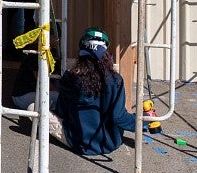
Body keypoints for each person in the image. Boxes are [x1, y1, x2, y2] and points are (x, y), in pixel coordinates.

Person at [14, 27, 153, 157]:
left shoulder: (71, 77)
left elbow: (63, 111)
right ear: (105, 53)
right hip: (109, 143)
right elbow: (118, 117)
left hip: (78, 142)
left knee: (33, 107)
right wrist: (144, 121)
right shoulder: (116, 80)